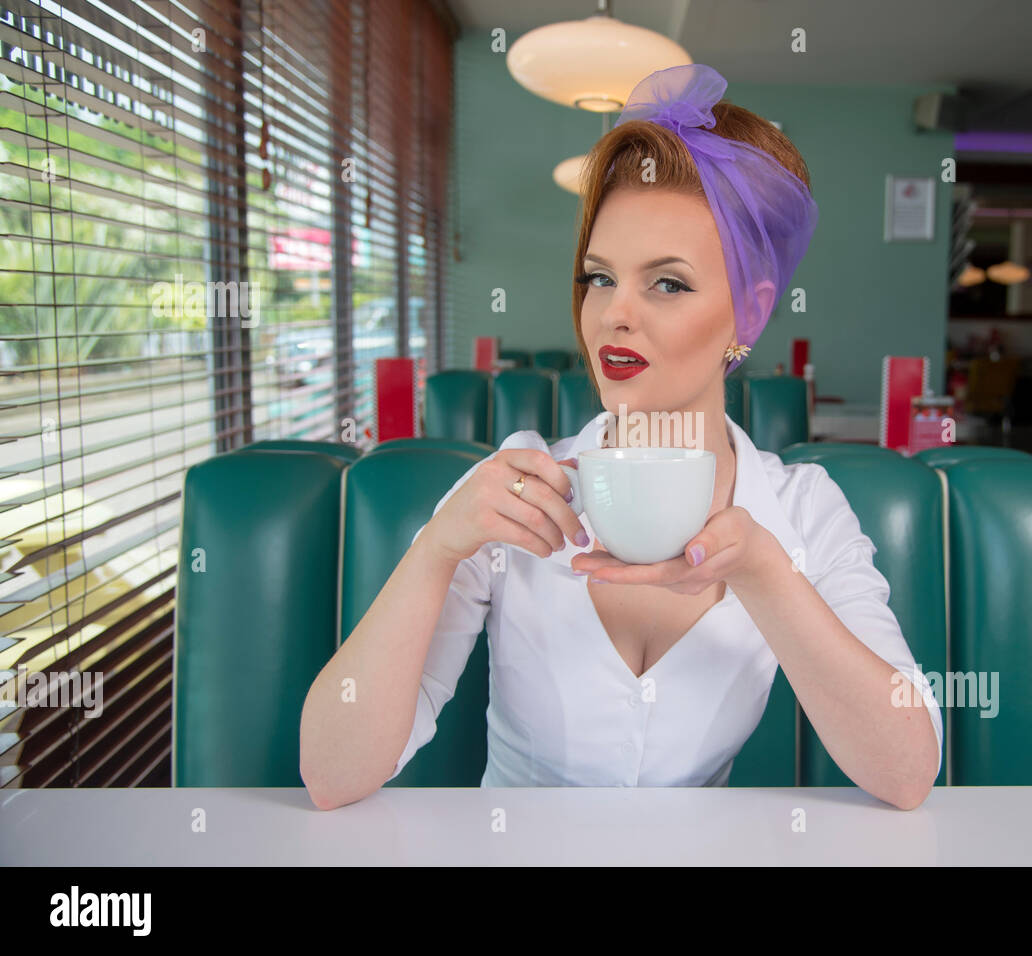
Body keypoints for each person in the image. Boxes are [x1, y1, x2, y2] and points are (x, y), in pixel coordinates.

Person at [300, 64, 942, 810]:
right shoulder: (516, 488)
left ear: (751, 312)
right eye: (600, 277)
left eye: (667, 283)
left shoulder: (801, 510)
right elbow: (333, 774)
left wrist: (768, 578)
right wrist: (437, 548)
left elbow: (906, 771)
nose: (613, 315)